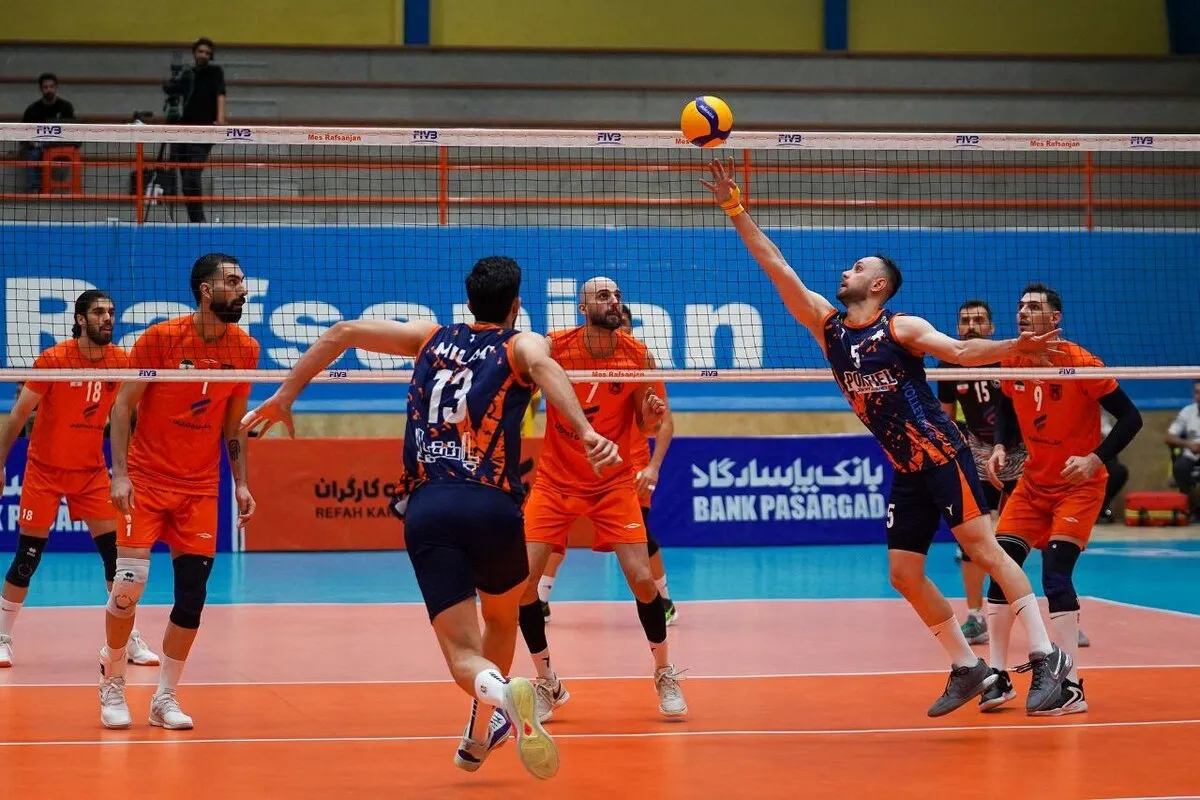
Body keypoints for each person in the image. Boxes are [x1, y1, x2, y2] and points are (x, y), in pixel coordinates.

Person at [701, 157, 1071, 716]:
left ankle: (1046, 656)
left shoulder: (901, 327)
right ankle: (968, 667)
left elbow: (962, 352)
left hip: (942, 454)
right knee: (903, 573)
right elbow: (777, 265)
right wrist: (735, 208)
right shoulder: (827, 327)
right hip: (906, 469)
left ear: (877, 284)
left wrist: (1013, 347)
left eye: (856, 268)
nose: (843, 272)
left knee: (983, 549)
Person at [243, 256, 619, 780]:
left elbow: (342, 332)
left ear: (468, 302)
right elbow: (547, 368)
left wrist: (284, 396)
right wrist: (587, 431)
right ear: (516, 306)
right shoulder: (521, 344)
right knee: (503, 620)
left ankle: (495, 705)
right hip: (494, 507)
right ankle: (483, 728)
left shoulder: (429, 337)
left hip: (430, 507)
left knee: (464, 654)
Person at [99, 253, 259, 730]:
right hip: (146, 480)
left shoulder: (246, 349)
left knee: (192, 598)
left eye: (243, 281)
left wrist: (242, 482)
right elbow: (122, 407)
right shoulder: (160, 339)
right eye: (233, 281)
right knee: (128, 585)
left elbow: (233, 425)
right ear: (206, 291)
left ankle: (164, 697)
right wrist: (120, 474)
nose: (243, 290)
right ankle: (112, 681)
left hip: (200, 488)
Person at [516, 277, 686, 723]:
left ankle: (664, 671)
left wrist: (649, 418)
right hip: (555, 482)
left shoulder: (638, 355)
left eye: (618, 295)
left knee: (642, 581)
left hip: (612, 484)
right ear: (582, 307)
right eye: (604, 296)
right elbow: (523, 386)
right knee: (522, 587)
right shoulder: (554, 347)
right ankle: (547, 681)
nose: (614, 301)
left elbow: (648, 426)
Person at [982, 283, 1141, 715]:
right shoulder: (1012, 357)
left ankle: (1070, 686)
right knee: (1001, 568)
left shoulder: (1081, 363)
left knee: (1055, 573)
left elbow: (1131, 417)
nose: (1022, 312)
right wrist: (1001, 445)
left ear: (1055, 319)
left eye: (1033, 307)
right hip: (1033, 485)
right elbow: (1006, 403)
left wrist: (1095, 459)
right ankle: (997, 677)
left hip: (1078, 487)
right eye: (1020, 306)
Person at [0, 291, 157, 669]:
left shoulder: (121, 362)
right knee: (27, 558)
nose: (108, 318)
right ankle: (2, 636)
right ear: (81, 319)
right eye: (99, 312)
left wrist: (127, 471)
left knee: (117, 559)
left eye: (111, 312)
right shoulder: (53, 360)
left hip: (90, 473)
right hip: (44, 471)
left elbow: (129, 413)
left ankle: (127, 637)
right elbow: (19, 415)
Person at [538, 304, 679, 626]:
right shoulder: (576, 360)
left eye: (626, 325)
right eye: (619, 323)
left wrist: (653, 468)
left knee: (642, 535)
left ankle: (664, 598)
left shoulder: (637, 361)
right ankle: (541, 597)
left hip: (629, 464)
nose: (622, 330)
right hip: (575, 462)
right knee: (555, 533)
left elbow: (663, 423)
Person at [936, 299, 1024, 646]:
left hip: (1021, 451)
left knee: (1028, 538)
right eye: (965, 320)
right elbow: (945, 415)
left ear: (991, 328)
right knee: (971, 539)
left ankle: (1058, 611)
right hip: (977, 450)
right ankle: (975, 617)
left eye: (978, 320)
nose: (971, 325)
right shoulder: (949, 363)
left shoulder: (1008, 360)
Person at [165, 38, 226, 222]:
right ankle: (196, 221)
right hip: (184, 129)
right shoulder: (187, 74)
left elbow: (221, 94)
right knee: (185, 178)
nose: (203, 55)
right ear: (194, 53)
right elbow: (173, 91)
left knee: (192, 175)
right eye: (201, 51)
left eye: (207, 53)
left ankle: (200, 222)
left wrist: (221, 119)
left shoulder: (215, 72)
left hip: (205, 130)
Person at [20, 72, 76, 193]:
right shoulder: (32, 109)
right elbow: (24, 133)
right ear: (41, 89)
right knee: (33, 153)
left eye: (51, 86)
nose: (49, 90)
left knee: (37, 150)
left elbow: (71, 131)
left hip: (59, 144)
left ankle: (36, 187)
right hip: (37, 146)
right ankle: (34, 189)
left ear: (56, 88)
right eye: (45, 87)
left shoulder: (66, 107)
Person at [1165, 380, 1200, 522]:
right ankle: (1192, 509)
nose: (1199, 396)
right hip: (1192, 452)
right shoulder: (1187, 411)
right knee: (1180, 468)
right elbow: (1169, 437)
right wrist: (1188, 444)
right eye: (1197, 392)